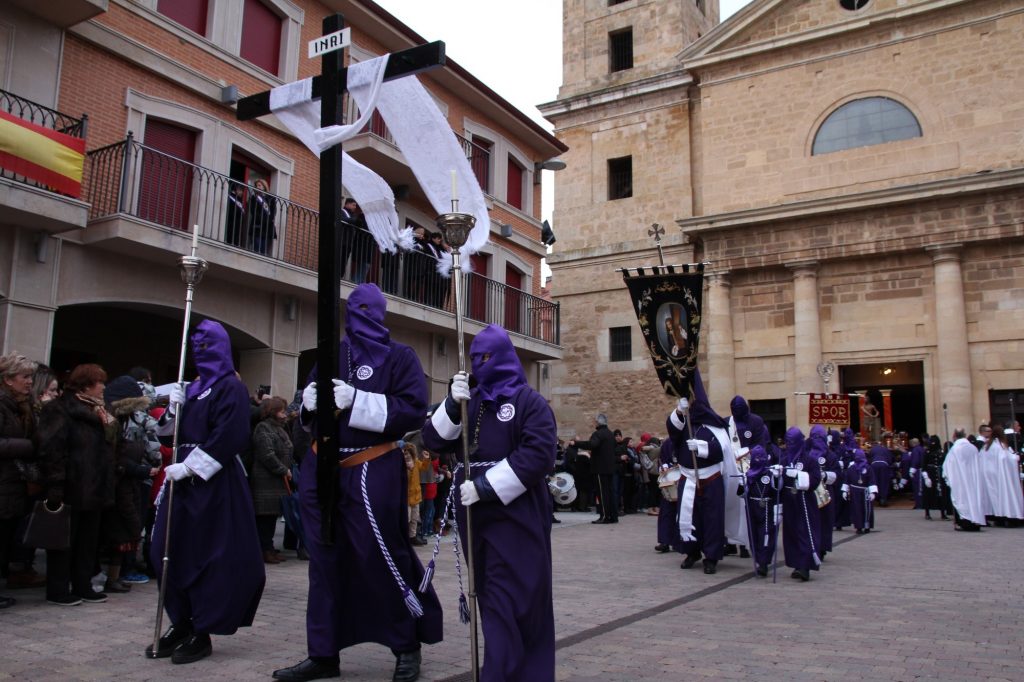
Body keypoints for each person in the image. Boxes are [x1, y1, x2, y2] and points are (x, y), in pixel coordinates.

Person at [273, 283, 442, 682]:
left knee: (381, 554)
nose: (360, 315)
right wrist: (309, 406)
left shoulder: (400, 357)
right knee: (324, 562)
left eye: (369, 309)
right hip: (323, 467)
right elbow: (308, 410)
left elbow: (412, 410)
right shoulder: (331, 355)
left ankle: (405, 643)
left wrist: (359, 400)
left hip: (372, 466)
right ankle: (324, 651)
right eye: (356, 308)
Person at [421, 323, 557, 682]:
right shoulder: (471, 401)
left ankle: (511, 671)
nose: (480, 364)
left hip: (518, 515)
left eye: (487, 357)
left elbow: (539, 454)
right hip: (475, 518)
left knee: (518, 595)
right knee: (491, 595)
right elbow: (433, 440)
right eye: (474, 358)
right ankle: (501, 669)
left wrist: (485, 486)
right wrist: (451, 403)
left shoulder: (530, 402)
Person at [146, 320, 265, 664]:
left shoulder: (230, 387)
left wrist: (193, 466)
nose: (200, 350)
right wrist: (172, 409)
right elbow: (167, 433)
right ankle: (180, 621)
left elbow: (232, 434)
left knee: (207, 554)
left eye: (206, 343)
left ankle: (203, 628)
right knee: (165, 549)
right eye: (195, 344)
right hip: (177, 477)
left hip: (211, 481)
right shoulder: (192, 386)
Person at [38, 363, 115, 606]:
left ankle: (83, 584)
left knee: (87, 541)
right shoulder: (60, 409)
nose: (103, 387)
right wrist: (55, 485)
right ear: (86, 385)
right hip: (71, 486)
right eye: (100, 382)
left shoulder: (99, 412)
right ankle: (58, 589)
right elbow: (52, 449)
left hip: (94, 487)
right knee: (63, 541)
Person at [667, 370, 730, 575]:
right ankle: (690, 551)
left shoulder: (715, 427)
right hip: (689, 478)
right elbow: (672, 431)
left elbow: (722, 451)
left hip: (710, 479)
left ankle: (711, 556)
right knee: (688, 518)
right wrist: (678, 411)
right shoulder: (685, 424)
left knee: (712, 520)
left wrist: (703, 448)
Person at [100, 376, 157, 594]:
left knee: (125, 528)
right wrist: (142, 466)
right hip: (124, 478)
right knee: (125, 526)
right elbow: (149, 447)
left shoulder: (122, 418)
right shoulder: (115, 420)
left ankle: (116, 574)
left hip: (128, 478)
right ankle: (119, 571)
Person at [0, 353, 40, 608]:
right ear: (8, 379)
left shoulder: (21, 406)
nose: (29, 382)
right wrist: (30, 446)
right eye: (25, 377)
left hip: (13, 483)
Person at [251, 396, 294, 564]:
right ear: (273, 412)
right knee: (265, 518)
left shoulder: (279, 428)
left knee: (272, 516)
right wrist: (283, 469)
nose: (285, 414)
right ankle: (264, 549)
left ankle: (269, 547)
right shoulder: (263, 428)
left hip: (276, 480)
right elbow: (266, 454)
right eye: (282, 411)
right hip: (265, 480)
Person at [779, 426, 823, 581]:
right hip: (789, 501)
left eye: (792, 442)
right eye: (787, 442)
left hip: (804, 500)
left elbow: (816, 480)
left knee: (804, 531)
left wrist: (799, 476)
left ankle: (805, 566)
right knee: (791, 533)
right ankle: (797, 563)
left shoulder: (809, 460)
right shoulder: (783, 459)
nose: (789, 445)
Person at [571, 413, 617, 524]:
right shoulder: (610, 434)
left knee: (602, 493)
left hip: (600, 469)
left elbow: (592, 445)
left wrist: (576, 443)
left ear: (597, 422)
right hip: (610, 468)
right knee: (610, 492)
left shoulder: (598, 434)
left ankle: (604, 516)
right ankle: (613, 516)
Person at [741, 445, 780, 577]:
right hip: (752, 506)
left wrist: (778, 478)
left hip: (767, 507)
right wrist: (742, 484)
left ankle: (763, 562)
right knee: (754, 535)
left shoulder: (770, 474)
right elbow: (741, 493)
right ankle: (758, 560)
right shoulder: (748, 475)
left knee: (766, 534)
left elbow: (777, 491)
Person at [943, 428, 987, 531]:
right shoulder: (973, 448)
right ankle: (976, 521)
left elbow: (948, 466)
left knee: (962, 499)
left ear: (954, 436)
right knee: (974, 499)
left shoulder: (955, 449)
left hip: (960, 480)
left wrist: (948, 477)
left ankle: (965, 522)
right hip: (973, 479)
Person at [841, 447, 877, 534]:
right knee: (856, 509)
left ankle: (867, 526)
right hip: (854, 492)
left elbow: (872, 480)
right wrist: (845, 491)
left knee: (866, 509)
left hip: (865, 491)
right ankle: (859, 527)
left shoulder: (868, 468)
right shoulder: (851, 468)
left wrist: (872, 492)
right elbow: (847, 480)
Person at [247, 178, 277, 256]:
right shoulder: (254, 198)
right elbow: (253, 212)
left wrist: (268, 221)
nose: (258, 187)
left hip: (267, 228)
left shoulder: (271, 199)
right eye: (256, 186)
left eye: (259, 185)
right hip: (257, 227)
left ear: (264, 186)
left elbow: (273, 212)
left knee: (264, 251)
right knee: (257, 249)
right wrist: (262, 220)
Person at [868, 438, 893, 506]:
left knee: (875, 481)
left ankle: (876, 497)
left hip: (874, 465)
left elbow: (869, 459)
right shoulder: (885, 449)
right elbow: (890, 459)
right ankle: (883, 499)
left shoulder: (872, 449)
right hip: (884, 464)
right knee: (883, 482)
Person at [225, 182, 247, 248]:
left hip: (237, 222)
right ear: (236, 189)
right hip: (231, 221)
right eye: (240, 190)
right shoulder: (230, 197)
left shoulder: (239, 199)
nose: (242, 193)